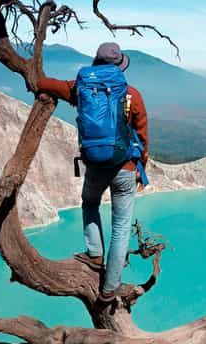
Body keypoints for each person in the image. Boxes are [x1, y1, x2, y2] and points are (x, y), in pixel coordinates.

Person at [37, 42, 148, 301]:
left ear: (97, 63)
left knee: (90, 204)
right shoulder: (132, 94)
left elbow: (47, 84)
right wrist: (141, 168)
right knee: (121, 226)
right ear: (120, 66)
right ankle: (110, 288)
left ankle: (94, 253)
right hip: (125, 166)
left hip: (96, 165)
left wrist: (37, 80)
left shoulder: (81, 88)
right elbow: (142, 135)